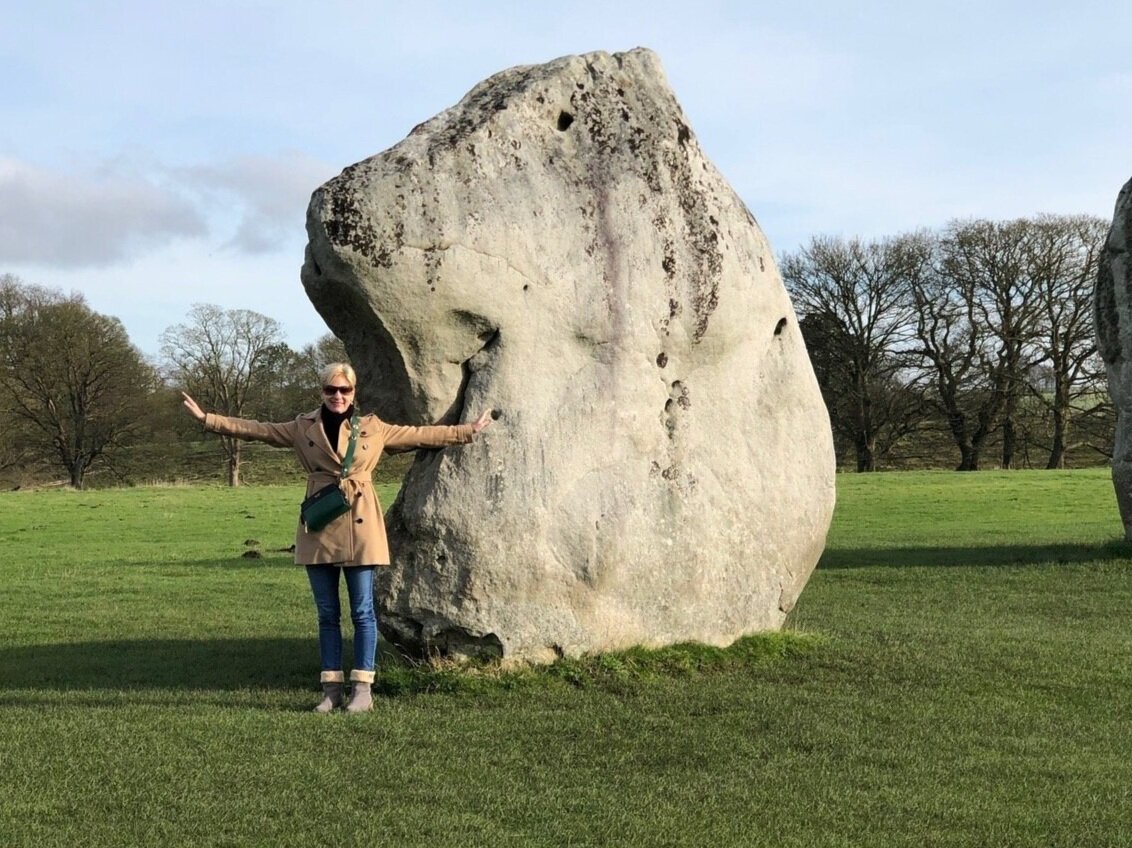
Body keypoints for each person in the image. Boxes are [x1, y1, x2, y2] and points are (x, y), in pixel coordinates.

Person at [181, 362, 493, 713]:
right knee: (327, 613)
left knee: (362, 612)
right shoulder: (302, 427)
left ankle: (363, 689)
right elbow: (256, 429)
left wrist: (468, 430)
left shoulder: (374, 428)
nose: (338, 397)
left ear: (354, 393)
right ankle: (331, 690)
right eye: (331, 390)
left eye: (345, 390)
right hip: (320, 524)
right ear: (322, 392)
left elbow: (421, 434)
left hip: (362, 526)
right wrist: (208, 419)